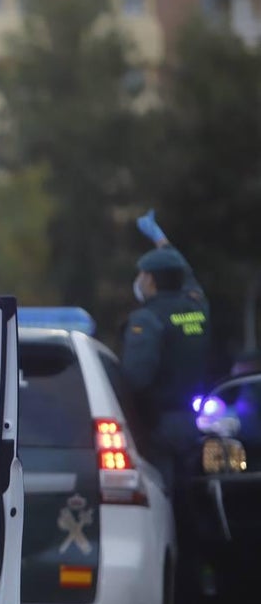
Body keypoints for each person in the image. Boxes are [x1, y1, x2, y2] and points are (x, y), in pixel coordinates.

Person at [121, 208, 211, 490]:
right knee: (192, 493)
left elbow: (135, 378)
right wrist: (161, 239)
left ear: (149, 280)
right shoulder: (198, 306)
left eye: (142, 275)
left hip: (160, 426)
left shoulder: (147, 319)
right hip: (193, 420)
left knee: (163, 495)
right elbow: (185, 272)